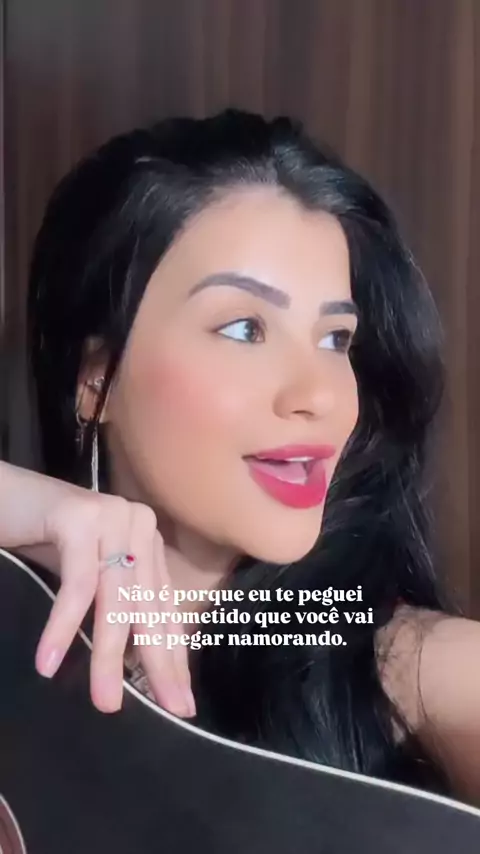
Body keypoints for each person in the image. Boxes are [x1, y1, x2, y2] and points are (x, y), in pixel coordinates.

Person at [1, 108, 480, 806]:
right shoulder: (20, 630)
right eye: (244, 328)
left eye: (336, 339)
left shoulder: (411, 668)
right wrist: (27, 505)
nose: (319, 395)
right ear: (97, 379)